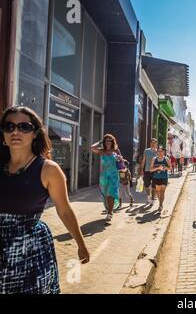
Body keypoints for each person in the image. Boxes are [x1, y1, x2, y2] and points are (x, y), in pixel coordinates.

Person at [0, 106, 89, 294]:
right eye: (9, 127)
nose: (15, 131)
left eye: (23, 127)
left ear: (35, 133)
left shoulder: (48, 169)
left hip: (29, 250)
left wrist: (81, 245)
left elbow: (64, 210)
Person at [91, 135, 122, 223]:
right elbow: (92, 147)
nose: (108, 142)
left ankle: (110, 213)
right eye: (106, 140)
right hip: (104, 176)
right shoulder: (102, 151)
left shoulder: (116, 150)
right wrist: (100, 141)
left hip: (114, 176)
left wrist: (120, 159)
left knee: (111, 193)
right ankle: (109, 209)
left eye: (110, 140)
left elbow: (122, 161)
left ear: (113, 142)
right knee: (105, 195)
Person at [150, 147, 171, 213]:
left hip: (164, 177)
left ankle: (160, 205)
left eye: (161, 151)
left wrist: (165, 168)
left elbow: (170, 168)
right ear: (157, 152)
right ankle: (160, 202)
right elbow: (151, 170)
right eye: (159, 151)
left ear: (164, 152)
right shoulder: (154, 159)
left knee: (162, 192)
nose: (160, 152)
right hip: (156, 178)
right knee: (158, 192)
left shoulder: (166, 159)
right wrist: (157, 168)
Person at [140, 138, 158, 204]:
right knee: (146, 185)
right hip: (147, 170)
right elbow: (143, 160)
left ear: (156, 144)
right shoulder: (146, 151)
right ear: (150, 143)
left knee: (154, 186)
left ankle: (152, 199)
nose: (153, 144)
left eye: (154, 143)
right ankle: (148, 195)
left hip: (155, 171)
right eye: (152, 143)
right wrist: (142, 170)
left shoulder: (158, 151)